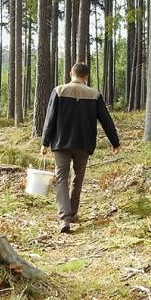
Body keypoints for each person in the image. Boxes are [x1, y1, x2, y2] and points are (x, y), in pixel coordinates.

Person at [40, 63, 120, 233]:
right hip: (83, 144)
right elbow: (106, 120)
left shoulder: (59, 91)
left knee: (61, 178)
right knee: (78, 178)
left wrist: (45, 142)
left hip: (61, 143)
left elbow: (50, 118)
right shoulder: (94, 94)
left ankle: (64, 219)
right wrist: (115, 142)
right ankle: (73, 212)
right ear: (86, 77)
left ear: (71, 73)